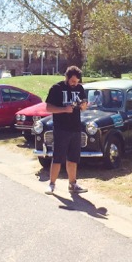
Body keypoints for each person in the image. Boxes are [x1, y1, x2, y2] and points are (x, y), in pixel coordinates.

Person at [44, 65, 89, 195]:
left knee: (73, 158)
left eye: (77, 81)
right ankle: (52, 184)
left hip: (75, 128)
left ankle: (72, 184)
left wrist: (84, 106)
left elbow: (84, 107)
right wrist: (64, 109)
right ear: (67, 77)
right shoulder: (56, 88)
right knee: (58, 157)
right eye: (73, 81)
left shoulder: (80, 88)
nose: (75, 84)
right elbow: (48, 108)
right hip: (61, 129)